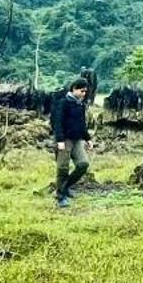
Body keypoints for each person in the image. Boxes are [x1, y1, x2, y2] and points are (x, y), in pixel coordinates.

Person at [50, 77, 94, 208]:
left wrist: (88, 138)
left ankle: (66, 187)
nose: (84, 94)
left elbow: (82, 124)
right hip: (65, 139)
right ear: (74, 89)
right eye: (82, 91)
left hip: (77, 140)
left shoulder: (80, 104)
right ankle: (60, 197)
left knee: (83, 164)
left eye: (85, 91)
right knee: (63, 167)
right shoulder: (63, 103)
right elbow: (57, 123)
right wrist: (59, 140)